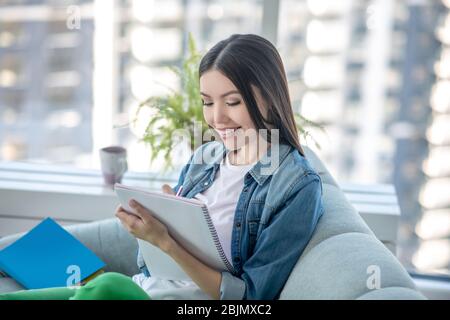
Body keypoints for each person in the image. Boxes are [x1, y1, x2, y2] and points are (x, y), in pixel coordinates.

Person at [0, 33, 324, 300]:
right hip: (144, 289)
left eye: (233, 101)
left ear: (268, 95)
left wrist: (165, 241)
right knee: (39, 264)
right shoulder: (206, 157)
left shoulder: (296, 186)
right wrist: (160, 220)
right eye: (208, 102)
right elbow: (152, 267)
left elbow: (252, 300)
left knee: (108, 286)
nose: (217, 118)